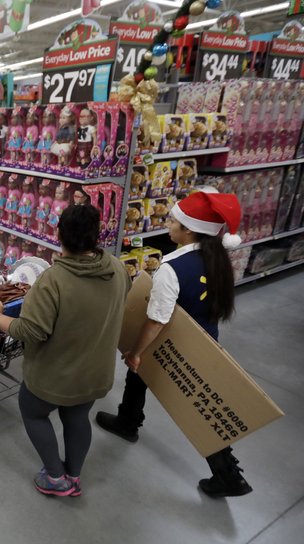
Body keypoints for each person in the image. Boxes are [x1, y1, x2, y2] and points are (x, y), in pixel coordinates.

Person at [96, 190, 252, 498]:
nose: (168, 224)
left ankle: (229, 476)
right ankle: (128, 420)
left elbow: (157, 321)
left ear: (189, 230)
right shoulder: (215, 257)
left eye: (173, 220)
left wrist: (136, 352)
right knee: (183, 396)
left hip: (174, 342)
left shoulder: (172, 268)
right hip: (204, 339)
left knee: (194, 407)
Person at [0, 203, 131, 497]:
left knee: (33, 412)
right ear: (96, 234)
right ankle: (74, 476)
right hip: (94, 374)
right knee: (77, 418)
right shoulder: (117, 268)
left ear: (58, 233)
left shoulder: (53, 280)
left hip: (53, 377)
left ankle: (54, 478)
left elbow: (30, 331)